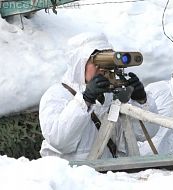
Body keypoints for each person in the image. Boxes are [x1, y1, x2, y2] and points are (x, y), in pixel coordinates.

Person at [39, 32, 158, 160]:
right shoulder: (57, 95)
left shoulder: (112, 96)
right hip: (75, 177)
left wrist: (141, 100)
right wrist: (85, 101)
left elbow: (146, 134)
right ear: (79, 64)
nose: (102, 69)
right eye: (97, 62)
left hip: (112, 176)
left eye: (107, 63)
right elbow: (60, 141)